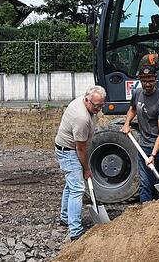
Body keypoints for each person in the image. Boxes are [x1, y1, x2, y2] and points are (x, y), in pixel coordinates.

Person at [55, 85, 106, 241]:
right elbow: (81, 149)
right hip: (69, 151)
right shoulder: (81, 118)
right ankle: (75, 231)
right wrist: (86, 169)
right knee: (77, 188)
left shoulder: (84, 104)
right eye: (96, 106)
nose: (98, 109)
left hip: (68, 148)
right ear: (87, 100)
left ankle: (65, 217)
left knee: (71, 184)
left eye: (101, 105)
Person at [121, 64, 159, 203]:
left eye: (150, 80)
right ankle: (145, 211)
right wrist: (127, 123)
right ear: (140, 80)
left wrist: (153, 155)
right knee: (144, 184)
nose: (147, 84)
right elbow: (132, 108)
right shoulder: (137, 93)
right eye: (144, 80)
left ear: (156, 79)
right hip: (144, 146)